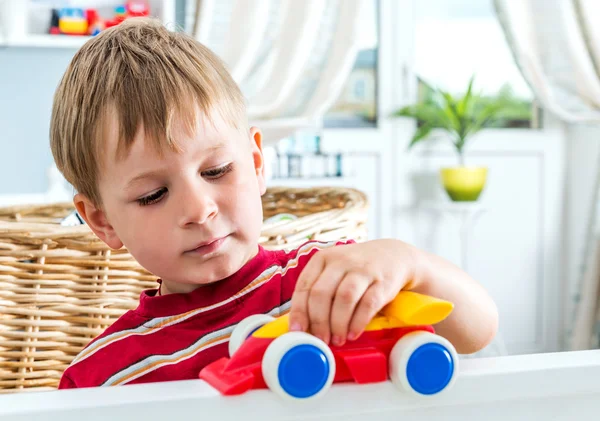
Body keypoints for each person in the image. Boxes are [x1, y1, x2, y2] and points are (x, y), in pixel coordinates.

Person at [50, 18, 498, 389]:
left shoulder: (322, 280)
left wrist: (409, 262)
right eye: (153, 195)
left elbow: (477, 330)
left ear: (257, 162)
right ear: (102, 220)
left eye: (217, 170)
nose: (199, 209)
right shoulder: (100, 375)